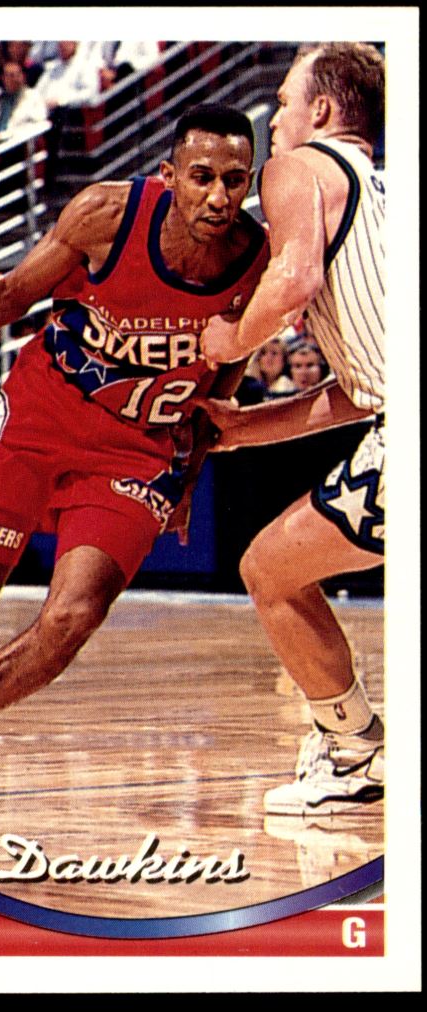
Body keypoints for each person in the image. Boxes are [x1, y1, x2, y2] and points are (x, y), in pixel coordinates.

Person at [0, 104, 270, 826]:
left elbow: (226, 371)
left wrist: (189, 472)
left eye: (234, 181)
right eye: (202, 176)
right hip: (41, 415)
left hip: (138, 450)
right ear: (168, 174)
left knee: (75, 614)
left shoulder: (255, 258)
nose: (218, 196)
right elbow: (8, 297)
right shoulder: (106, 215)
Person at [198, 43, 385, 816]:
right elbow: (361, 392)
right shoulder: (381, 192)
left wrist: (227, 340)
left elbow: (293, 278)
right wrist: (243, 428)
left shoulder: (297, 168)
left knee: (271, 572)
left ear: (321, 110)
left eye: (280, 102)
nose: (271, 119)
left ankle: (353, 748)